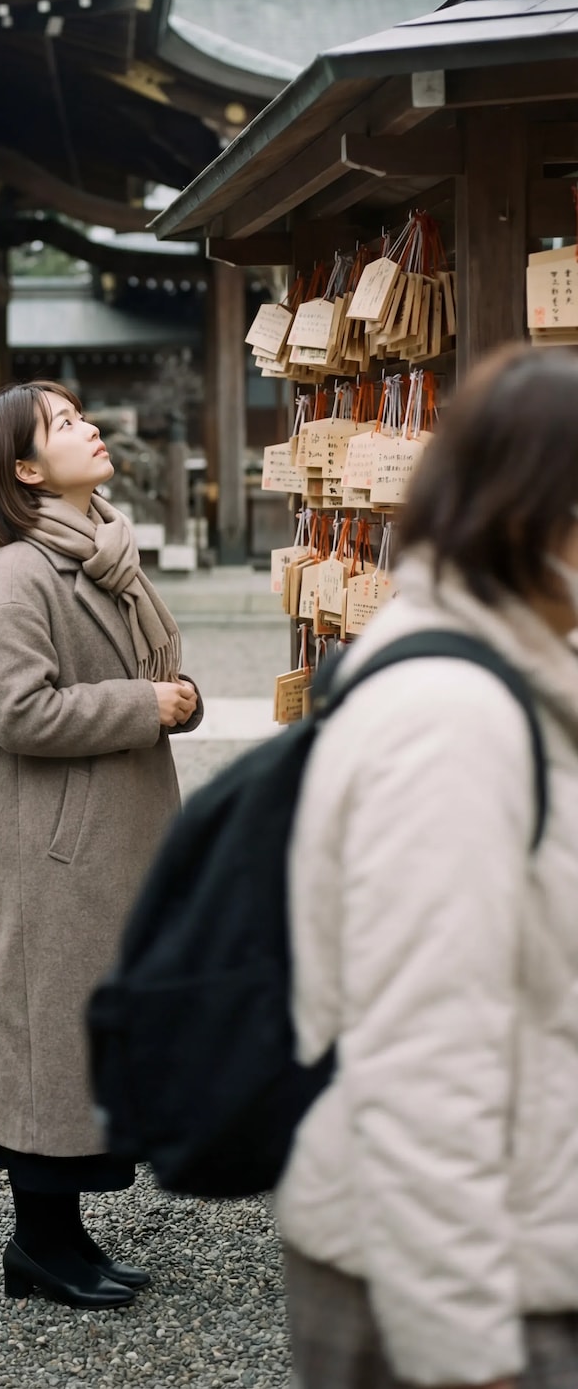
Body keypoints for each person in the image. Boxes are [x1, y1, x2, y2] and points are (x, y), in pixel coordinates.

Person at [277, 343, 578, 1389]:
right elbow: (421, 1056)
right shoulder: (451, 718)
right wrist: (462, 1353)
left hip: (519, 1221)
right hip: (465, 1283)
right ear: (539, 514)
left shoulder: (511, 670)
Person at [0, 380, 201, 1308]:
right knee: (48, 1038)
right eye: (64, 424)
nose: (90, 426)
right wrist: (146, 705)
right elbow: (15, 710)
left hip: (113, 825)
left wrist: (174, 696)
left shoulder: (102, 547)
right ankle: (41, 1246)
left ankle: (65, 1238)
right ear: (26, 469)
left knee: (90, 1028)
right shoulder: (20, 570)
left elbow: (146, 668)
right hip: (51, 847)